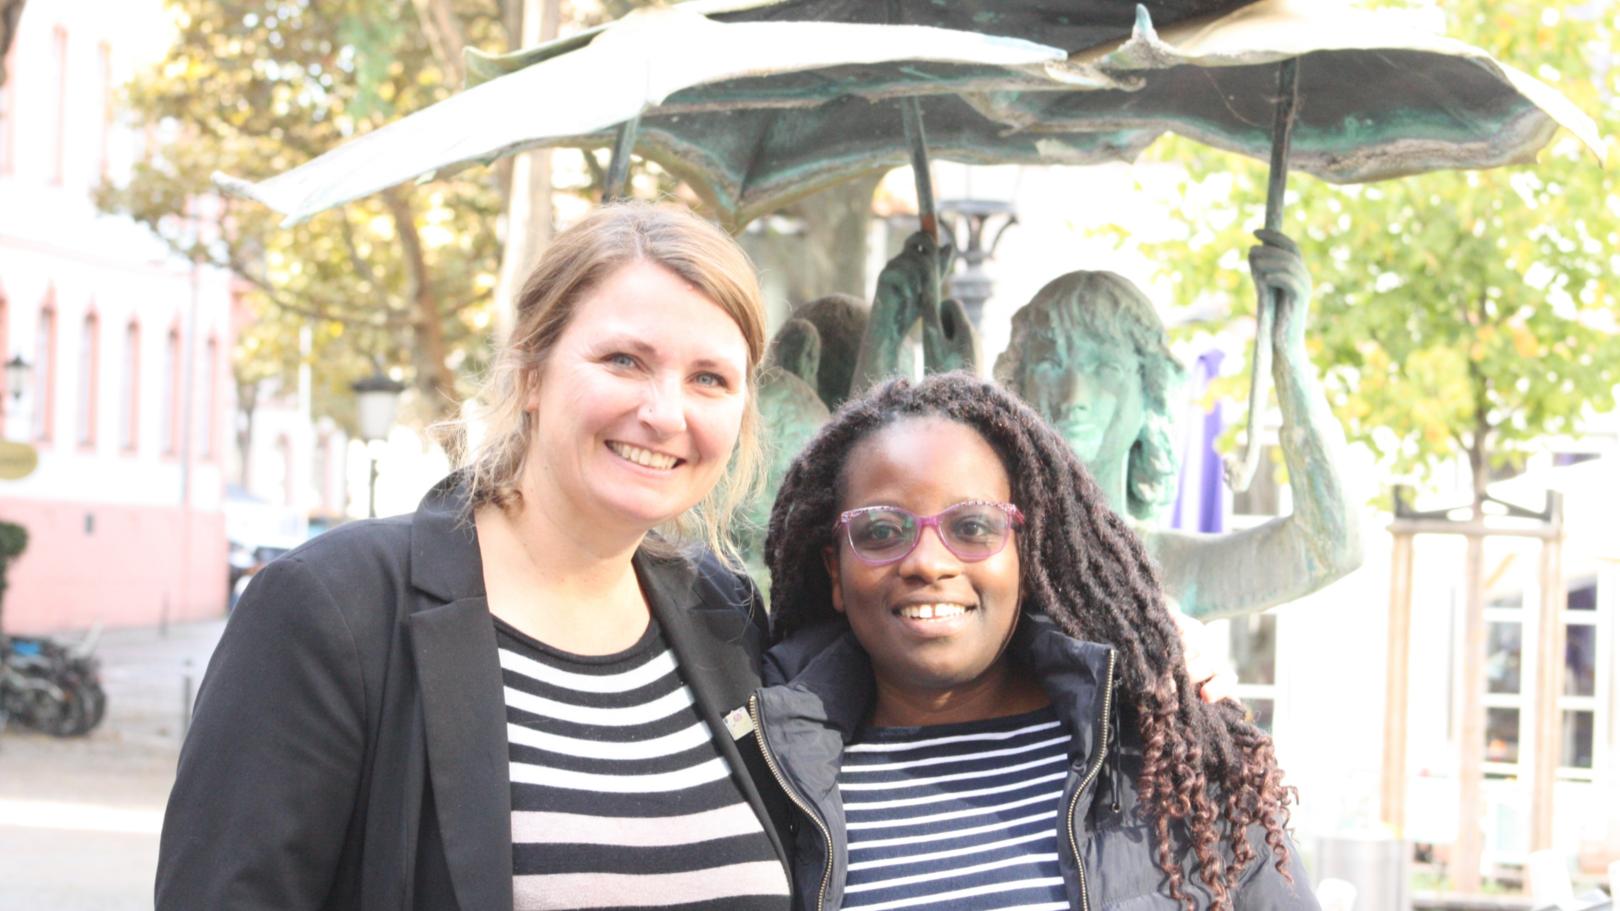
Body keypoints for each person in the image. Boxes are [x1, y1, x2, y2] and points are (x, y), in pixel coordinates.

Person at [155, 202, 794, 910]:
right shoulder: (332, 607)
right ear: (530, 370)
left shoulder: (723, 611)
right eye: (624, 360)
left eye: (710, 378)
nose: (666, 413)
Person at [756, 373, 1318, 911]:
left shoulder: (1162, 748)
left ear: (1028, 554)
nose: (927, 562)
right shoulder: (772, 768)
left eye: (973, 527)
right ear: (836, 572)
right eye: (880, 531)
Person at [992, 232, 1361, 620]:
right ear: (1018, 389)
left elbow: (1333, 546)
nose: (1074, 395)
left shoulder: (1172, 570)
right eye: (1050, 365)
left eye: (1105, 368)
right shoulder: (984, 550)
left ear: (1150, 396)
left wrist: (1288, 357)